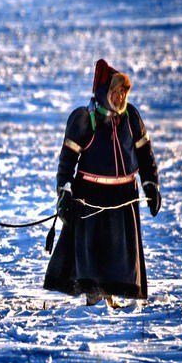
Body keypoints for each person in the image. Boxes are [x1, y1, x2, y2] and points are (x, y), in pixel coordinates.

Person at [44, 59, 161, 307]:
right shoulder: (84, 119)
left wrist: (151, 183)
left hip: (125, 195)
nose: (120, 98)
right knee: (93, 253)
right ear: (104, 92)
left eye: (124, 93)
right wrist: (64, 190)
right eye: (116, 92)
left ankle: (112, 295)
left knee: (121, 254)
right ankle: (95, 295)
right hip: (91, 196)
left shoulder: (132, 118)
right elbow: (67, 162)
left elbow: (145, 155)